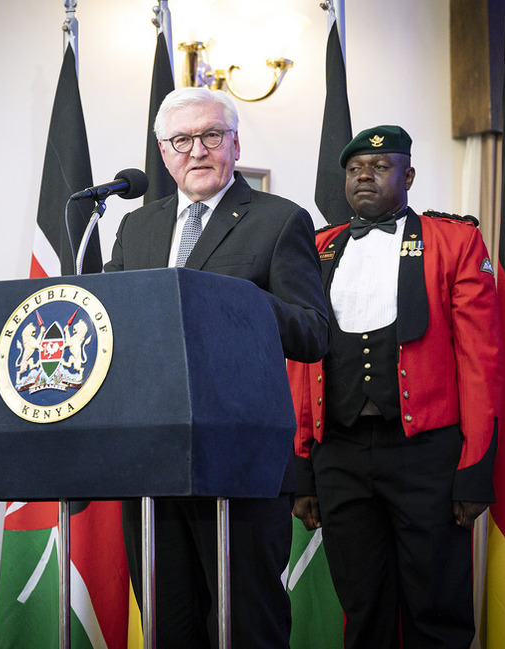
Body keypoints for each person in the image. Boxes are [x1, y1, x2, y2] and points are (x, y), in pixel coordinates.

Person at [105, 86, 328, 647]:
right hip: (150, 458)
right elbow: (112, 322)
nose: (197, 151)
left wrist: (238, 302)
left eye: (210, 136)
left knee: (243, 624)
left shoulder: (279, 220)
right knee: (169, 625)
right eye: (182, 140)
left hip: (241, 454)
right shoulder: (137, 227)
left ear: (234, 144)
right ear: (164, 153)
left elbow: (313, 332)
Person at [289, 125, 503, 648]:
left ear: (408, 176)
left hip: (426, 454)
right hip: (336, 455)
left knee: (438, 609)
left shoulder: (454, 240)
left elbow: (480, 360)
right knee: (363, 609)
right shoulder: (315, 250)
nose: (365, 174)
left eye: (381, 167)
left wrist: (475, 468)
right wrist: (300, 468)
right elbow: (297, 363)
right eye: (355, 167)